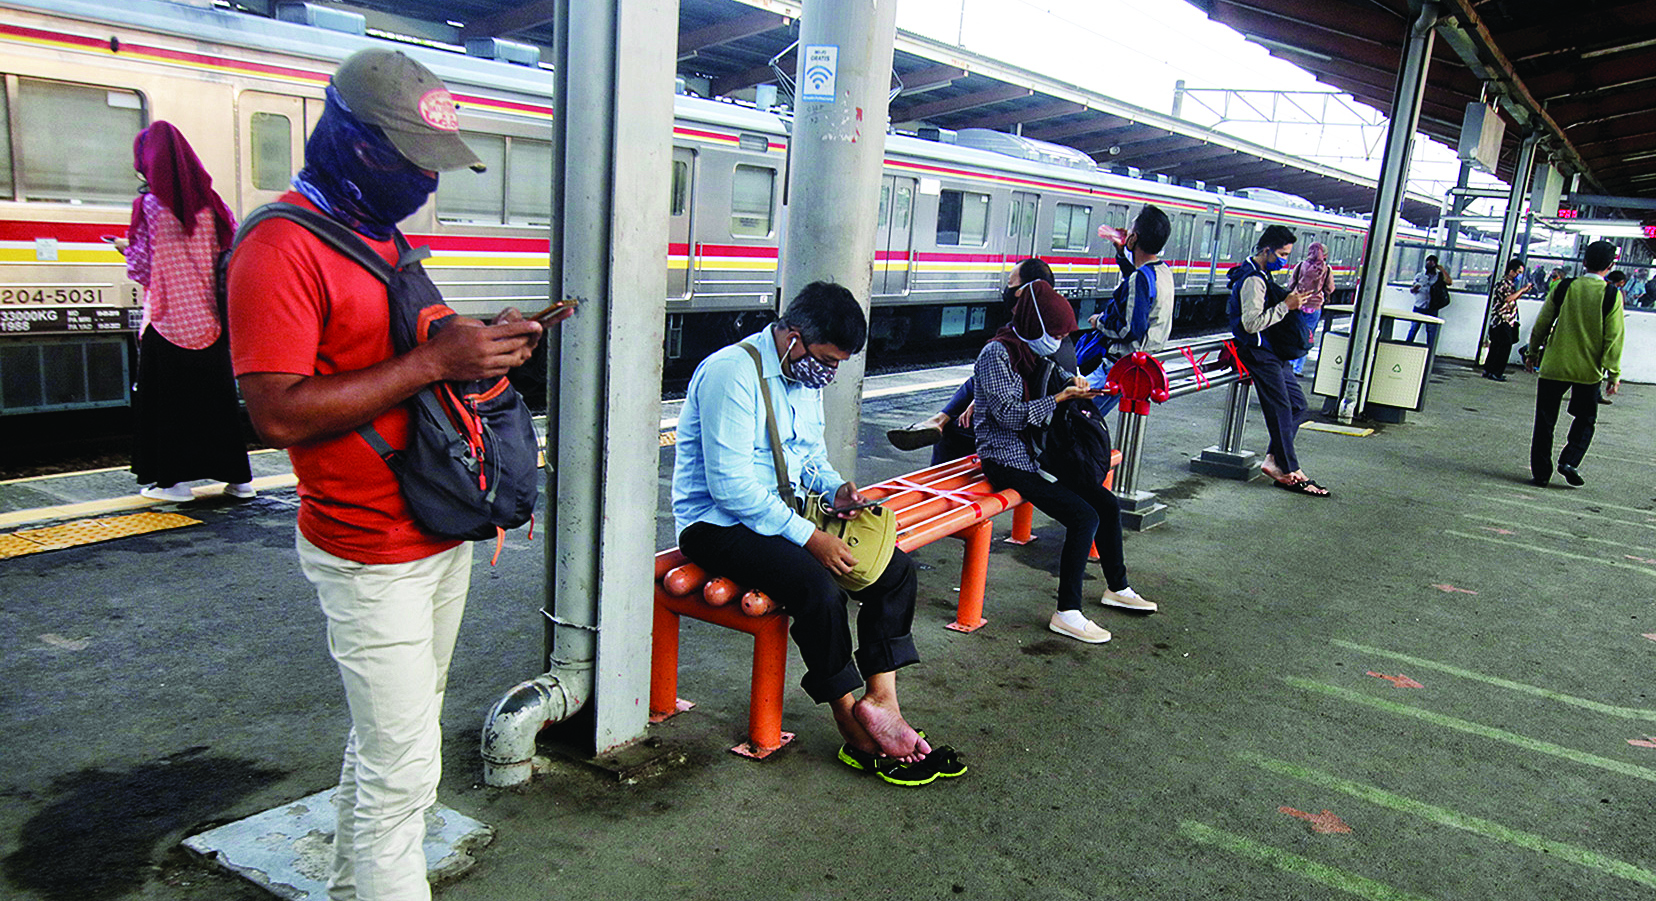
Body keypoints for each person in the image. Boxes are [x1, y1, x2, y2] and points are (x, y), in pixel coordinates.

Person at [228, 49, 559, 901]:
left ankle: (353, 886)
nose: (423, 181)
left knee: (392, 745)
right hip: (369, 546)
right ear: (352, 143)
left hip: (433, 523)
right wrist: (432, 363)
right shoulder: (280, 246)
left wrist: (481, 345)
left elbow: (410, 345)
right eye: (412, 162)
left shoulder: (377, 230)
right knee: (404, 765)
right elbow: (275, 413)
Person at [673, 281, 965, 785]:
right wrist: (810, 537)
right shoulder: (731, 373)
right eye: (826, 359)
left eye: (837, 364)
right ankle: (853, 727)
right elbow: (731, 488)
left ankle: (882, 703)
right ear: (791, 334)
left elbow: (808, 457)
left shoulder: (800, 376)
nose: (827, 374)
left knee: (895, 574)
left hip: (778, 516)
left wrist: (835, 494)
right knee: (818, 589)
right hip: (714, 524)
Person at [973, 265, 1154, 646]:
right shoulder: (996, 353)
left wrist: (1073, 384)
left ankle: (1117, 586)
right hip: (1006, 457)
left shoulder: (1030, 348)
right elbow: (1006, 416)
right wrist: (1058, 398)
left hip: (1036, 452)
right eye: (1053, 334)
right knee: (1082, 515)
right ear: (1033, 325)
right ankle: (1067, 611)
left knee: (1105, 502)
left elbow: (1053, 374)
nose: (1056, 342)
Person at [119, 121, 254, 503]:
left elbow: (142, 266)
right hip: (211, 319)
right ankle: (239, 480)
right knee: (217, 402)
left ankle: (174, 484)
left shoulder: (147, 206)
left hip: (167, 319)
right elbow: (227, 254)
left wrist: (122, 248)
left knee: (169, 405)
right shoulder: (213, 204)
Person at [886, 258, 1072, 464]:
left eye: (1011, 285)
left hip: (1027, 437)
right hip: (1034, 424)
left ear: (1025, 291)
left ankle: (942, 480)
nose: (1007, 291)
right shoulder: (1047, 325)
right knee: (982, 377)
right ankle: (939, 420)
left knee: (953, 433)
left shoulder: (1039, 336)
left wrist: (984, 401)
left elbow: (1014, 402)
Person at [1227, 225, 1328, 497]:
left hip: (1273, 353)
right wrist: (1287, 306)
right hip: (1258, 352)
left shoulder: (1262, 273)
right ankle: (1291, 469)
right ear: (1266, 250)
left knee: (1298, 405)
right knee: (1282, 407)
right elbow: (1251, 324)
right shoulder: (1253, 280)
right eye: (1282, 254)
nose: (1285, 260)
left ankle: (1273, 459)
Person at [1525, 240, 1624, 488]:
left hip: (1554, 366)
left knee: (1545, 420)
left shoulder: (1563, 287)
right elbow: (1614, 337)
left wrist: (1532, 352)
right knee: (1585, 418)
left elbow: (1543, 323)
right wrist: (1613, 373)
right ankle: (1569, 461)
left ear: (1584, 262)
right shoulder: (1612, 294)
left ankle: (1541, 473)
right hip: (1588, 371)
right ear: (1611, 265)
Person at [1083, 204, 1175, 411]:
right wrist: (1121, 254)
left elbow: (1130, 329)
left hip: (1121, 364)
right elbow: (1136, 289)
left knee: (1076, 411)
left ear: (1134, 239)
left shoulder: (1140, 277)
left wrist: (1099, 322)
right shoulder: (1162, 271)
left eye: (1130, 232)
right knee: (1091, 418)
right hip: (1144, 362)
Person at [1284, 240, 1335, 376]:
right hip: (1314, 306)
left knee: (1293, 333)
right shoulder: (1326, 269)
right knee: (1307, 336)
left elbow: (1290, 285)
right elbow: (1330, 288)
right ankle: (1298, 368)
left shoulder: (1300, 266)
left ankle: (1289, 363)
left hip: (1297, 304)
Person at [1482, 258, 1526, 382]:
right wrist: (1522, 290)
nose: (1519, 275)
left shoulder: (1509, 284)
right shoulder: (1503, 284)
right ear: (1511, 271)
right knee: (1504, 345)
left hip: (1503, 319)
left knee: (1496, 345)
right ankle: (1497, 372)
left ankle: (1489, 369)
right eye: (1518, 272)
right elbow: (1508, 299)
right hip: (1502, 319)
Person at [1405, 254, 1452, 345]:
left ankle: (1429, 349)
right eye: (1428, 263)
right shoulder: (1420, 275)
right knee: (1413, 328)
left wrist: (1442, 269)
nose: (1430, 265)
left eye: (1432, 263)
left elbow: (1449, 282)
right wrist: (1415, 289)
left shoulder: (1439, 276)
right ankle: (1407, 345)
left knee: (1431, 331)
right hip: (1419, 306)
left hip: (1432, 307)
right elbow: (1412, 290)